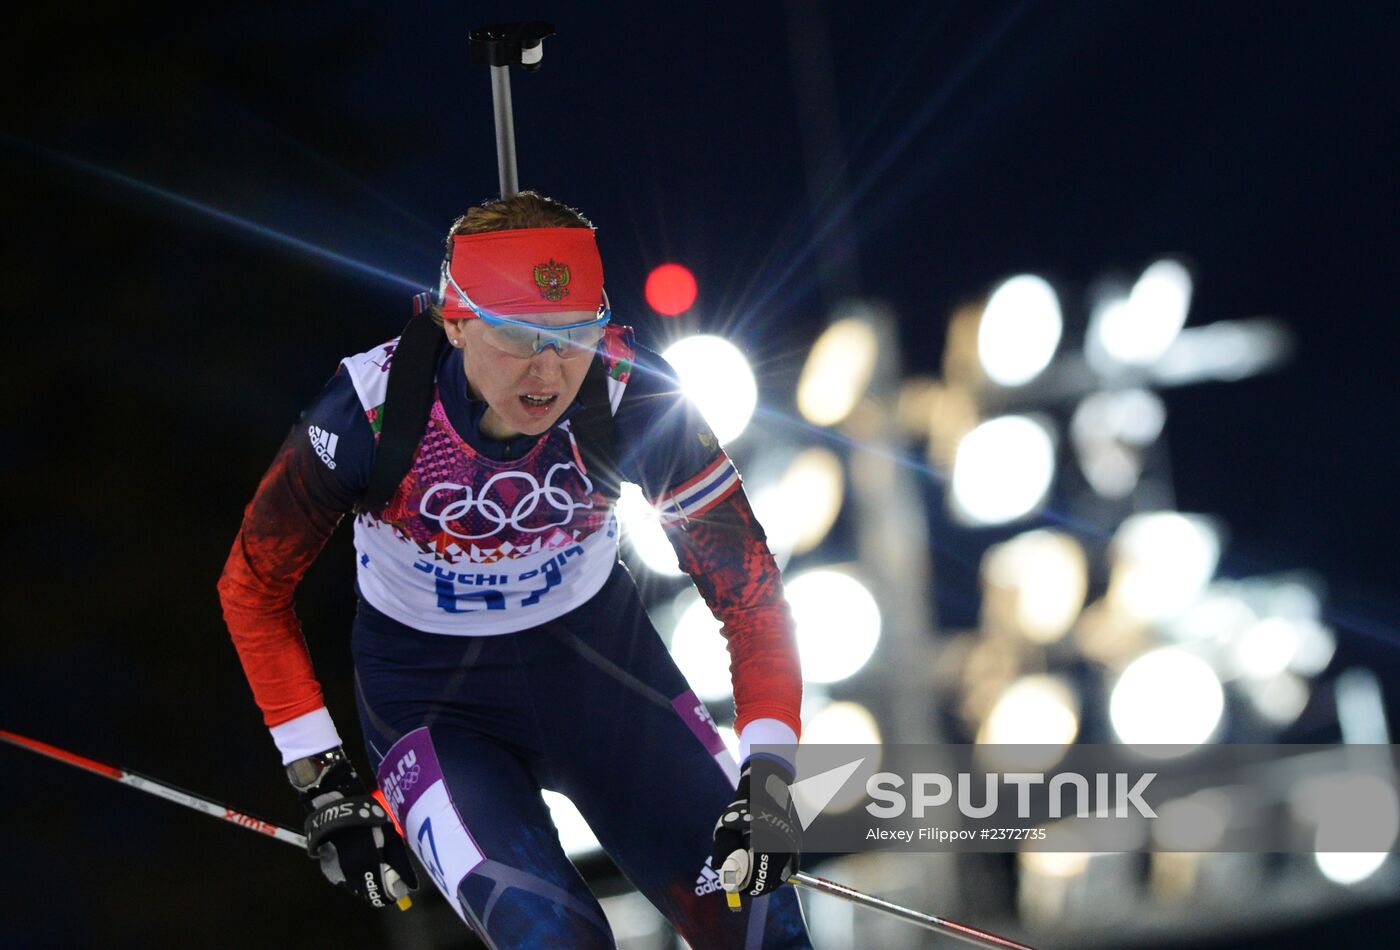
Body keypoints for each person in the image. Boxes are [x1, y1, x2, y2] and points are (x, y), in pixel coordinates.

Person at [218, 191, 813, 948]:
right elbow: (253, 587)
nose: (550, 368)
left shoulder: (634, 393)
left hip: (605, 679)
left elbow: (751, 592)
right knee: (553, 939)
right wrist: (323, 779)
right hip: (434, 707)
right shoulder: (369, 409)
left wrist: (770, 775)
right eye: (521, 335)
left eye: (573, 334)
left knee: (762, 930)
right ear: (456, 320)